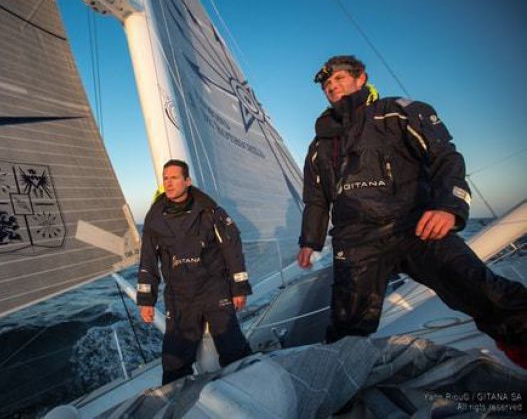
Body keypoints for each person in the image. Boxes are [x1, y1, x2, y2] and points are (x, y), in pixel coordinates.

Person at [297, 55, 527, 366]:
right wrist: (309, 241)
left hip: (416, 225)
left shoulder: (397, 111)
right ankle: (342, 397)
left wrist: (448, 206)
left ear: (360, 78)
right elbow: (317, 197)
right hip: (355, 241)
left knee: (488, 293)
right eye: (327, 84)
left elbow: (444, 157)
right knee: (347, 327)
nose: (331, 87)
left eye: (338, 79)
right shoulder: (319, 145)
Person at [137, 159, 252, 384]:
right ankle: (178, 405)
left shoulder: (210, 212)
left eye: (174, 178)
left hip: (214, 290)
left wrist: (239, 287)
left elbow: (232, 249)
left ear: (187, 181)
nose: (168, 183)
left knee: (233, 348)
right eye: (165, 178)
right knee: (175, 363)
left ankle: (247, 387)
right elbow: (148, 260)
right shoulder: (154, 220)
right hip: (179, 296)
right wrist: (146, 300)